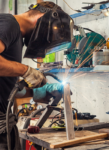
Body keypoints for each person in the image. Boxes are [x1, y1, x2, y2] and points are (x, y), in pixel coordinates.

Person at [0, 1, 73, 150]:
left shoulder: (15, 35)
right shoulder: (9, 25)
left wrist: (36, 92)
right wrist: (25, 70)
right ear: (42, 19)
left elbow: (4, 86)